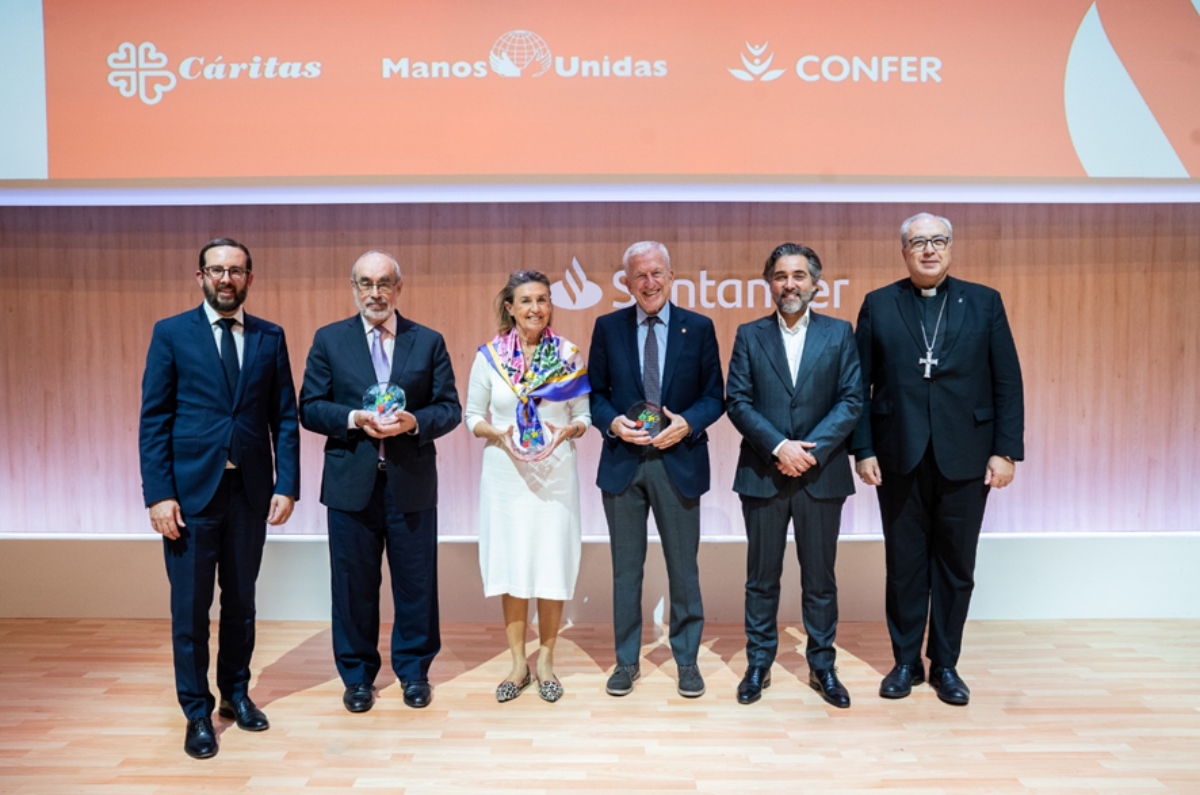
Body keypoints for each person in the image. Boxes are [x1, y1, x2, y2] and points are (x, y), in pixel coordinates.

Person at [851, 213, 1024, 706]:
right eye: (918, 242)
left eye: (938, 241)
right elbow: (857, 387)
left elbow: (1007, 381)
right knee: (904, 565)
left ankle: (945, 664)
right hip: (897, 454)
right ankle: (905, 661)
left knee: (955, 565)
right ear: (904, 251)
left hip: (966, 455)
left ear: (951, 248)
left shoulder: (985, 302)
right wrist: (862, 450)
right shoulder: (880, 305)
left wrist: (1006, 450)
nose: (929, 250)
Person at [139, 238, 300, 759]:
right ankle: (196, 712)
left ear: (249, 278)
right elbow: (154, 421)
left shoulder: (270, 337)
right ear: (200, 276)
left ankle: (235, 694)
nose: (225, 279)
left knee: (242, 604)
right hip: (190, 496)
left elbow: (285, 418)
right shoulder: (171, 334)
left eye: (235, 271)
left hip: (249, 492)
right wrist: (159, 494)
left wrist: (286, 483)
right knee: (190, 610)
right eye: (216, 270)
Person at [299, 250, 461, 714]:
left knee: (416, 584)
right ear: (354, 289)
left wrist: (414, 422)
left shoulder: (427, 341)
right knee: (352, 586)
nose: (376, 292)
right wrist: (353, 417)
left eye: (384, 283)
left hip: (410, 482)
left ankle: (414, 673)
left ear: (399, 288)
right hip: (352, 484)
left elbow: (449, 407)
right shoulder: (329, 340)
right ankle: (357, 677)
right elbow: (309, 406)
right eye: (366, 283)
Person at [726, 243, 863, 708]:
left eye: (799, 275)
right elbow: (737, 401)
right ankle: (759, 662)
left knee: (820, 579)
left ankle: (822, 665)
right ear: (769, 282)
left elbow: (851, 400)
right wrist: (780, 447)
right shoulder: (748, 334)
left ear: (815, 284)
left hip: (820, 476)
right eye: (781, 275)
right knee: (761, 578)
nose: (790, 284)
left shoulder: (840, 333)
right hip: (763, 472)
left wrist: (811, 452)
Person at [587, 241, 725, 699]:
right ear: (626, 282)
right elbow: (596, 395)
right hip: (624, 464)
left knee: (683, 570)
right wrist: (612, 423)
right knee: (626, 572)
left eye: (656, 274)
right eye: (639, 276)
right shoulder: (607, 327)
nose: (648, 283)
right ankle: (626, 661)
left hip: (678, 462)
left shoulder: (699, 328)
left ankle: (686, 660)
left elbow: (714, 396)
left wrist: (687, 424)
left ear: (671, 275)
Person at [465, 270, 591, 703]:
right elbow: (471, 416)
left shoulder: (568, 356)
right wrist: (498, 434)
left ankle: (547, 662)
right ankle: (518, 664)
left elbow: (585, 416)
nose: (535, 308)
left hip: (555, 472)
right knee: (513, 565)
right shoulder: (488, 357)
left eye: (542, 299)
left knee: (551, 565)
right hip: (505, 476)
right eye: (526, 301)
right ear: (510, 307)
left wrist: (567, 431)